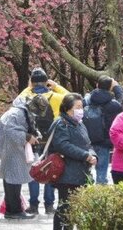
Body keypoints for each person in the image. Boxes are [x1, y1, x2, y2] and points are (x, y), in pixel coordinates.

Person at [15, 67, 68, 215]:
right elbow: (71, 96)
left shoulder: (26, 97)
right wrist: (56, 86)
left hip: (33, 139)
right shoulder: (57, 97)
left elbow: (16, 101)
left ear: (32, 82)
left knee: (34, 171)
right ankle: (49, 205)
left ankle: (33, 205)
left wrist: (29, 88)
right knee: (50, 170)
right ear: (46, 82)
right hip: (52, 139)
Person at [47, 93, 97, 230]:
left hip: (80, 172)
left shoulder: (79, 124)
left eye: (82, 106)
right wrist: (85, 155)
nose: (81, 110)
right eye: (78, 107)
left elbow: (88, 144)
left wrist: (93, 155)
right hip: (66, 173)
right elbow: (62, 145)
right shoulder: (61, 123)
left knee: (73, 208)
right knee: (65, 207)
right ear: (68, 108)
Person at [0, 98, 40, 221]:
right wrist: (27, 137)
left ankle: (11, 210)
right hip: (9, 147)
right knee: (13, 179)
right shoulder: (17, 113)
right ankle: (14, 210)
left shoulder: (22, 112)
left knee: (12, 178)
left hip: (11, 147)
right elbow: (11, 131)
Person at [82, 75, 123, 185]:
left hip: (87, 141)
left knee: (85, 171)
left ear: (97, 85)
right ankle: (100, 194)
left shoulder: (87, 100)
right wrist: (117, 88)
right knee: (101, 172)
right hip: (104, 142)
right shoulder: (113, 104)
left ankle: (84, 195)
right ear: (110, 87)